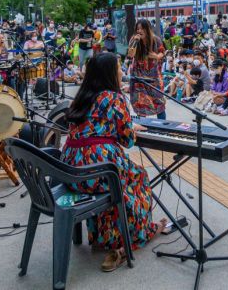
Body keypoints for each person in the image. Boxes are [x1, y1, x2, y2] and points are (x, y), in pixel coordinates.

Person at [60, 52, 167, 272]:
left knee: (117, 181)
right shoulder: (113, 97)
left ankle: (103, 236)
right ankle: (133, 237)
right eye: (118, 66)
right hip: (96, 168)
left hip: (71, 169)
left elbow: (93, 126)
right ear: (110, 72)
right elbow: (127, 140)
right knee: (137, 177)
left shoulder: (83, 95)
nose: (121, 70)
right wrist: (130, 127)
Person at [127, 19, 166, 119]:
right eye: (138, 29)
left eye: (142, 28)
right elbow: (131, 55)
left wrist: (157, 56)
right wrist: (135, 41)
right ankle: (142, 124)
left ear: (147, 29)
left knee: (158, 100)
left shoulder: (155, 39)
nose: (139, 31)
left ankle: (163, 126)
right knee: (140, 101)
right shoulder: (134, 40)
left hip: (153, 75)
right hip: (138, 74)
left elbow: (162, 52)